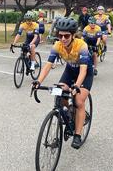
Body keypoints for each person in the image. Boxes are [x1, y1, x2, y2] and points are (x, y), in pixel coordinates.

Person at [32, 17, 93, 149]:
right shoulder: (57, 45)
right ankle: (70, 115)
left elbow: (83, 70)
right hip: (70, 70)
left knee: (78, 100)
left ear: (73, 35)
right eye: (60, 35)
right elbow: (48, 65)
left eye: (66, 36)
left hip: (85, 73)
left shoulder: (81, 45)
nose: (63, 38)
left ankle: (77, 134)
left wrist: (76, 86)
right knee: (60, 94)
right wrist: (38, 81)